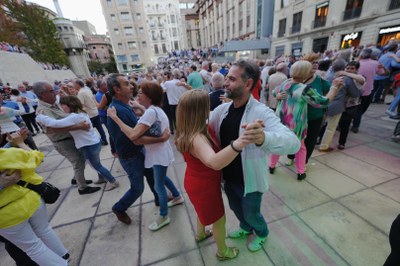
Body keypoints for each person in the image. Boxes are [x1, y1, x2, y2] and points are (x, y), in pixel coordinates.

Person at [209, 60, 301, 252]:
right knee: (235, 209)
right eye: (226, 78)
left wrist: (263, 138)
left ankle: (261, 233)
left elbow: (293, 142)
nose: (226, 83)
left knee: (252, 213)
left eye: (232, 79)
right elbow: (203, 122)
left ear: (248, 84)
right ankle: (245, 227)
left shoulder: (261, 112)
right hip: (228, 178)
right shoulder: (223, 110)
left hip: (249, 181)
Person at [175, 90, 254, 260]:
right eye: (207, 105)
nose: (210, 108)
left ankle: (201, 234)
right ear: (199, 110)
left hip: (195, 181)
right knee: (219, 220)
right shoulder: (197, 138)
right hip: (205, 187)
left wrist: (227, 104)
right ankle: (222, 252)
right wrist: (240, 143)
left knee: (201, 211)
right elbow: (214, 162)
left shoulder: (187, 128)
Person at [108, 82, 183, 230]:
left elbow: (133, 135)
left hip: (158, 154)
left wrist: (115, 118)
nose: (137, 94)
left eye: (141, 93)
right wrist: (141, 107)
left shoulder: (150, 112)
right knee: (162, 178)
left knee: (158, 186)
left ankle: (163, 216)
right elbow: (150, 115)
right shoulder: (154, 109)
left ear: (149, 97)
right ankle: (177, 196)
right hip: (161, 152)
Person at [0, 137, 69, 265]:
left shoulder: (7, 153)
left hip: (6, 216)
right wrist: (20, 143)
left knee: (33, 247)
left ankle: (62, 261)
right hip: (31, 200)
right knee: (44, 230)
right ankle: (63, 256)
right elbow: (37, 157)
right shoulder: (9, 154)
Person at [269, 61, 342, 180]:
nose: (313, 71)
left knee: (278, 144)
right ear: (305, 73)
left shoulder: (286, 83)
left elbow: (274, 91)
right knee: (301, 147)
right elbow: (323, 102)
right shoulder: (304, 89)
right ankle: (300, 172)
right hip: (295, 124)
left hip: (281, 120)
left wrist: (277, 96)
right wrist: (334, 87)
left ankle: (272, 166)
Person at [36, 96, 119, 191]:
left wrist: (40, 116)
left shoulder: (74, 117)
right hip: (93, 142)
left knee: (96, 165)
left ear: (70, 105)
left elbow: (55, 124)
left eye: (63, 105)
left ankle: (113, 181)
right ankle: (102, 178)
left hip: (88, 145)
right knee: (95, 163)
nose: (61, 108)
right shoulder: (80, 112)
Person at [32, 81, 100, 195]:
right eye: (51, 91)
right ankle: (82, 188)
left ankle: (77, 179)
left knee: (81, 160)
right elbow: (53, 129)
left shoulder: (54, 104)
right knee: (78, 162)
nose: (54, 92)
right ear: (42, 94)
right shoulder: (43, 111)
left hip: (70, 138)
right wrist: (79, 126)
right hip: (63, 142)